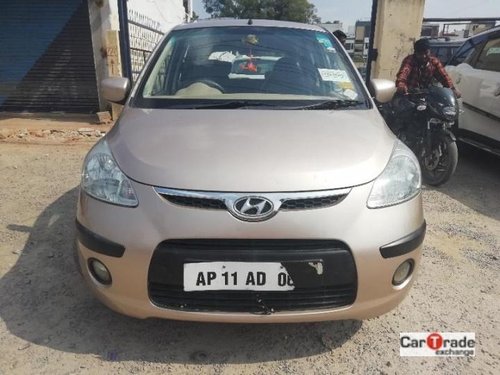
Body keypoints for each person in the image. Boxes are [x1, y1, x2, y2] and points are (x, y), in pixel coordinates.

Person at [396, 38, 461, 97]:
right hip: (407, 95)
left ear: (430, 51)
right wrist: (401, 85)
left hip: (426, 96)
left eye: (426, 53)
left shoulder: (434, 62)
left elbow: (444, 77)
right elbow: (403, 73)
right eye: (420, 54)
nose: (423, 56)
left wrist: (452, 89)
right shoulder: (410, 60)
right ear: (415, 53)